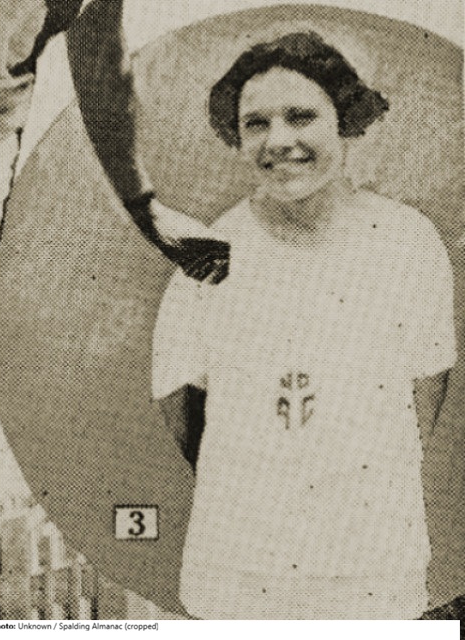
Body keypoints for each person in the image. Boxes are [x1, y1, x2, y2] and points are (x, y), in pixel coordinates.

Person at [151, 32, 457, 619]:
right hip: (238, 570)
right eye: (256, 124)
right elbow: (182, 414)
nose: (278, 141)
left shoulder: (407, 242)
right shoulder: (209, 254)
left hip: (373, 565)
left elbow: (423, 400)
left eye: (300, 117)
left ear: (343, 118)